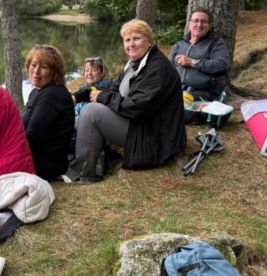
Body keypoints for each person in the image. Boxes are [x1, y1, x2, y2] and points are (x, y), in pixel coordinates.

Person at [71, 19, 187, 182]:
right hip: (145, 127)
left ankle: (82, 174)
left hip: (156, 140)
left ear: (149, 41)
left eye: (136, 38)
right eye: (127, 40)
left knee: (91, 112)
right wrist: (79, 96)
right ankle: (93, 169)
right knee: (94, 108)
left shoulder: (157, 68)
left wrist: (102, 97)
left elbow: (137, 108)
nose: (131, 44)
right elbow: (112, 86)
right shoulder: (136, 63)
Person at [21, 44, 74, 181]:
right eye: (33, 65)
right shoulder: (36, 92)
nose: (36, 71)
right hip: (33, 159)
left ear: (55, 72)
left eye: (43, 67)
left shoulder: (53, 94)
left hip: (44, 166)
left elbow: (32, 138)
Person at [169, 8, 231, 102]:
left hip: (203, 94)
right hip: (177, 91)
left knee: (178, 105)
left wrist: (192, 62)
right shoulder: (178, 46)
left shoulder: (215, 44)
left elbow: (222, 65)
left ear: (209, 26)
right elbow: (167, 71)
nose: (199, 25)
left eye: (203, 21)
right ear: (190, 24)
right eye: (196, 21)